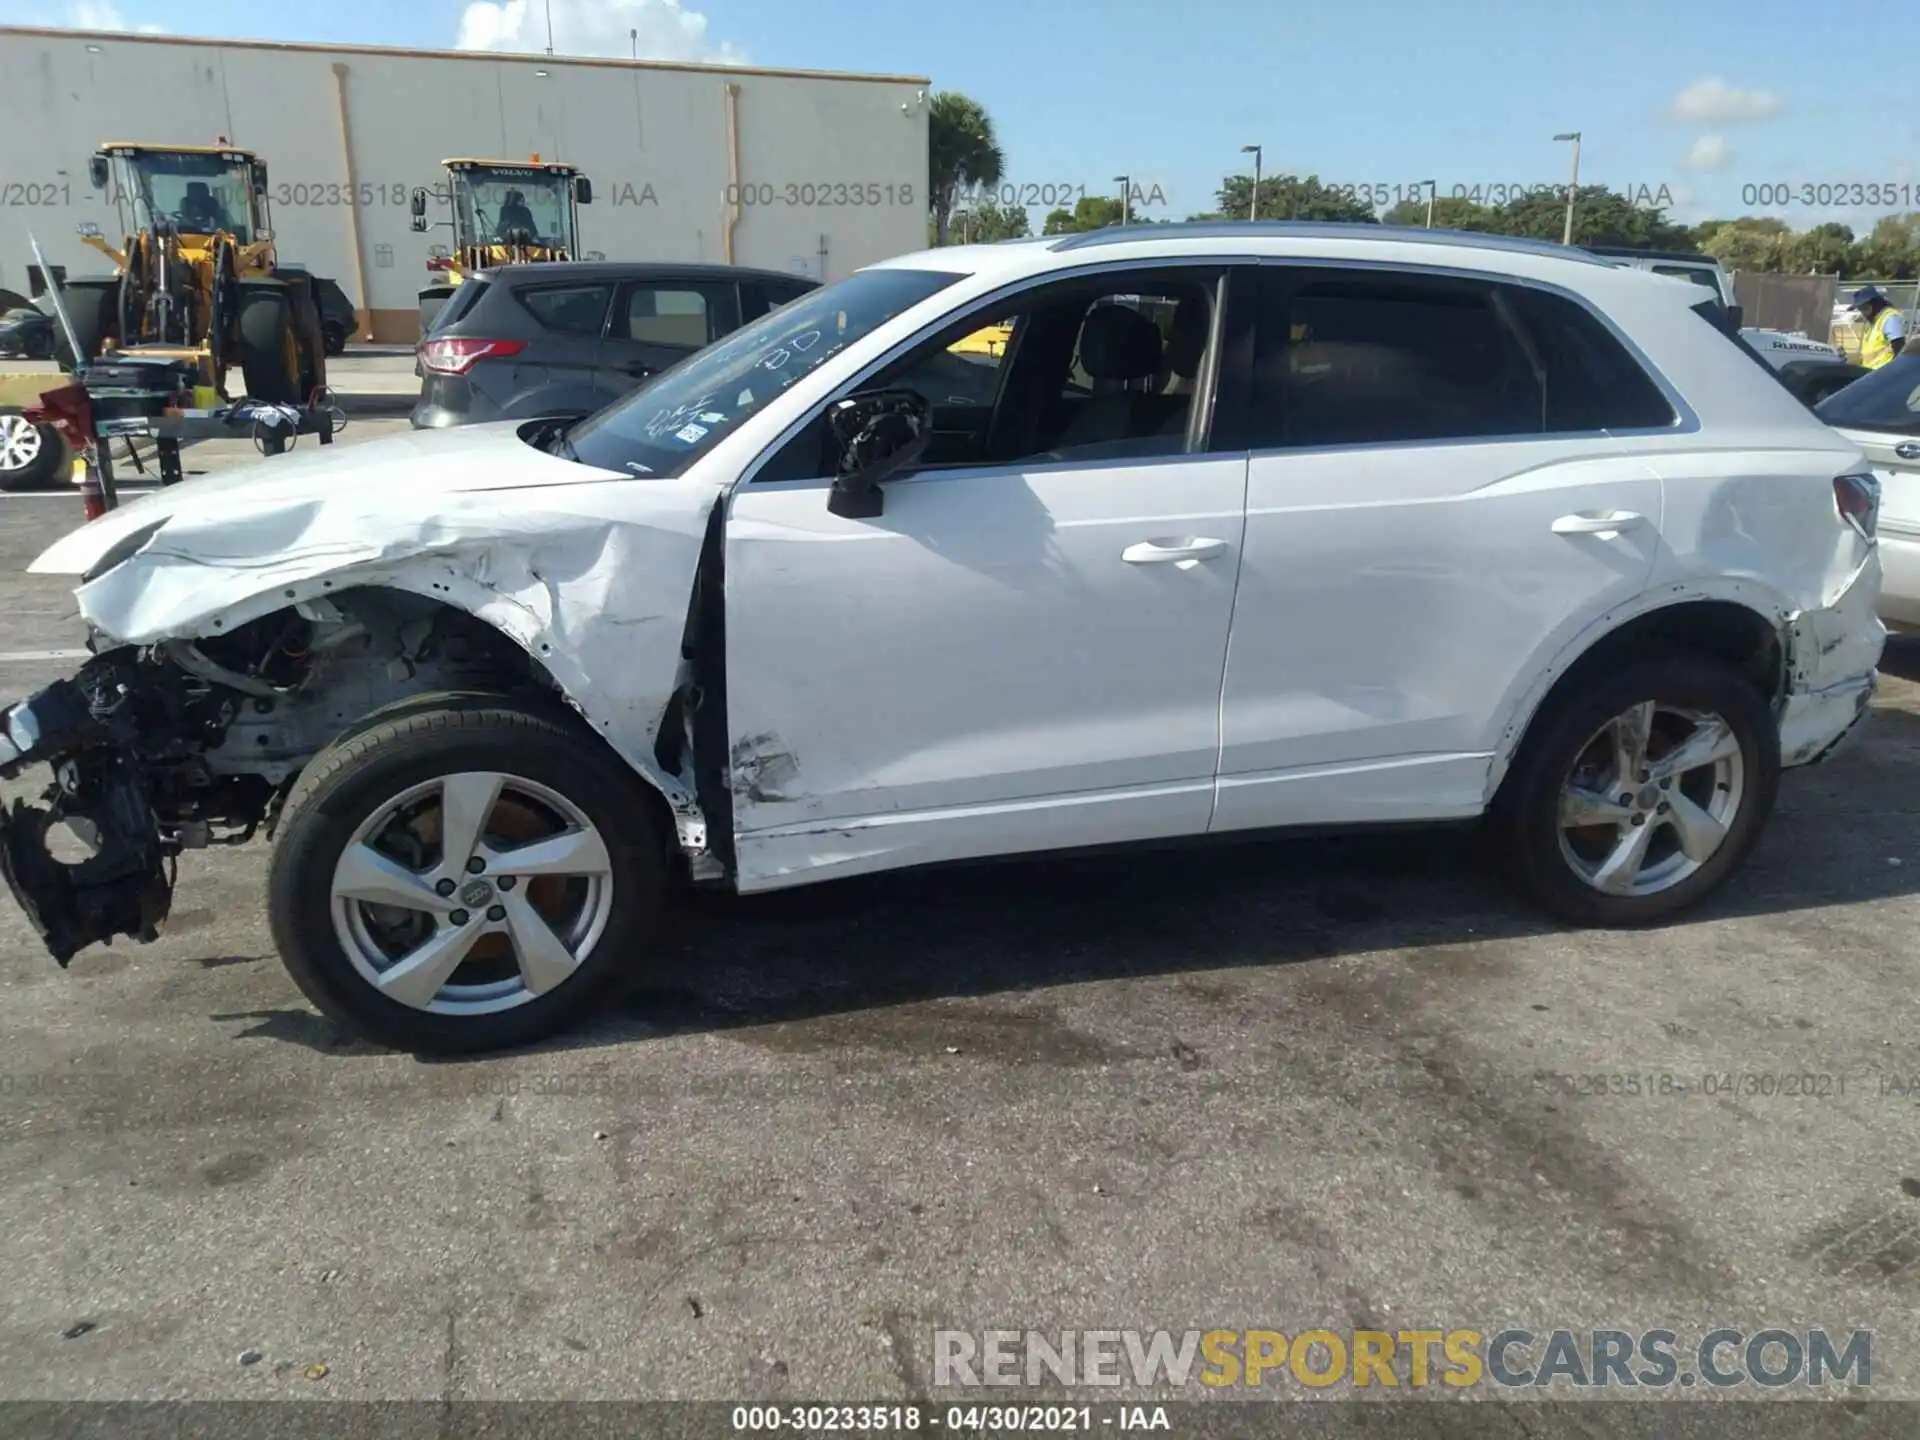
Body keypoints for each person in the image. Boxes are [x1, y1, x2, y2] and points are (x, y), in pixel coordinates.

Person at [1850, 285, 1906, 369]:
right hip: (1871, 372)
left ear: (1875, 304)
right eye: (1860, 309)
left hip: (1883, 373)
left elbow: (1899, 347)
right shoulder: (1875, 321)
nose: (1863, 313)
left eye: (1864, 308)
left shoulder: (1890, 318)